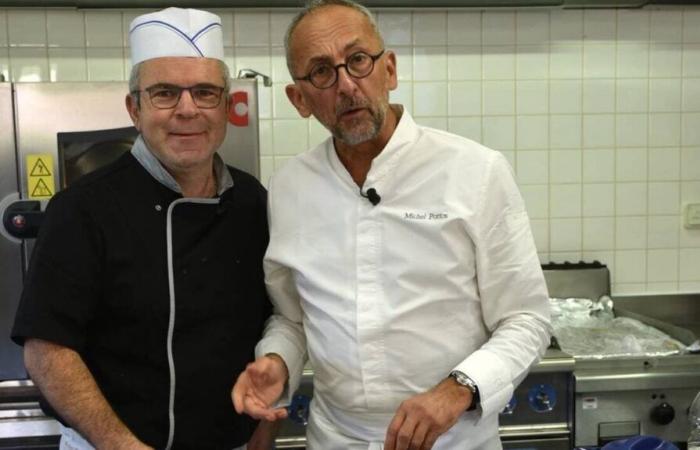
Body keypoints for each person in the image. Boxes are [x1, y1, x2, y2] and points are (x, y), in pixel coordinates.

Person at [232, 1, 552, 449]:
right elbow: (294, 317)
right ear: (299, 99)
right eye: (321, 72)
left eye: (358, 60)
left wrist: (458, 388)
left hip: (453, 441)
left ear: (390, 70)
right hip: (335, 438)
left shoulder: (476, 171)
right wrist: (276, 360)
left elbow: (527, 318)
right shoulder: (289, 188)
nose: (346, 85)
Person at [12, 7, 274, 450]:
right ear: (135, 108)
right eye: (165, 93)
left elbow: (272, 325)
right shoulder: (82, 208)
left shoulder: (251, 201)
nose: (187, 110)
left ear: (227, 107)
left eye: (205, 93)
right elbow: (46, 350)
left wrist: (262, 434)